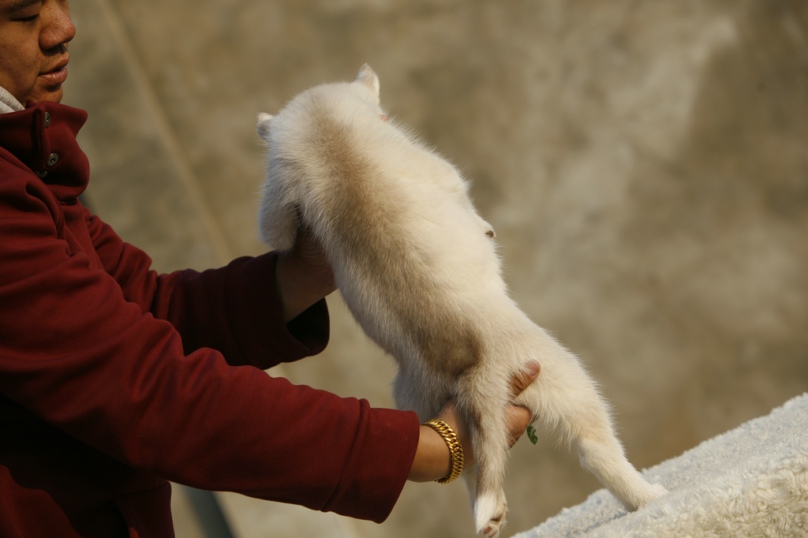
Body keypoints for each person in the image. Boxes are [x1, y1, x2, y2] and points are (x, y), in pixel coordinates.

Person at [0, 1, 540, 537]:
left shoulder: (25, 160)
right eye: (23, 14)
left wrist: (309, 268)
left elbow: (148, 311)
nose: (63, 28)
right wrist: (430, 449)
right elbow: (144, 387)